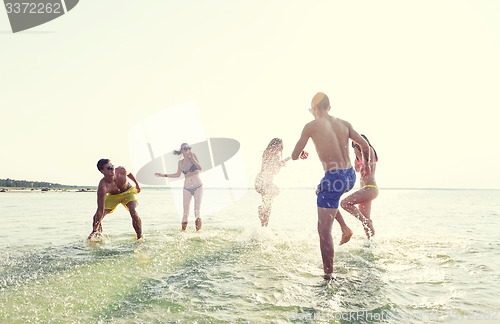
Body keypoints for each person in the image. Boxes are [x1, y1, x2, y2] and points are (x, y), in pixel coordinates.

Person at [291, 92, 372, 280]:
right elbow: (365, 145)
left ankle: (328, 277)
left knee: (323, 230)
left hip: (333, 177)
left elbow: (295, 155)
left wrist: (302, 152)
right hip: (349, 175)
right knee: (322, 192)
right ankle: (345, 228)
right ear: (329, 107)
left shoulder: (311, 126)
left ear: (314, 108)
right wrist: (366, 166)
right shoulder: (344, 124)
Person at [87, 159, 143, 241]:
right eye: (109, 168)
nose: (112, 169)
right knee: (97, 217)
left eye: (112, 166)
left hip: (128, 192)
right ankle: (97, 236)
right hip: (113, 196)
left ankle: (140, 237)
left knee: (133, 211)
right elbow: (100, 210)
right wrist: (94, 229)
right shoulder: (103, 187)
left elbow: (130, 173)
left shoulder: (121, 170)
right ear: (102, 171)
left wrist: (137, 184)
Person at [155, 143, 203, 231]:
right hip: (186, 188)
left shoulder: (194, 156)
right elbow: (177, 175)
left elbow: (200, 168)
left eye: (189, 148)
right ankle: (183, 232)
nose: (187, 150)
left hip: (198, 187)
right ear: (181, 151)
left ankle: (198, 233)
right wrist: (163, 175)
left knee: (197, 212)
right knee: (185, 213)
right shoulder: (180, 163)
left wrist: (192, 159)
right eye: (185, 148)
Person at [341, 134, 379, 239]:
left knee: (344, 203)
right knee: (366, 221)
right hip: (365, 189)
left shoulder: (369, 150)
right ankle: (371, 242)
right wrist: (355, 156)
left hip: (370, 188)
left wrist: (358, 151)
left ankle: (365, 221)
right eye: (353, 145)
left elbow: (365, 160)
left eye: (356, 143)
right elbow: (358, 170)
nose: (355, 146)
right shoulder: (359, 156)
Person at [255, 138, 291, 226]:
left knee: (267, 206)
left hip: (263, 181)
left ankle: (263, 226)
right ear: (273, 145)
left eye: (280, 148)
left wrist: (284, 161)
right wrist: (281, 163)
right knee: (267, 205)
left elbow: (273, 170)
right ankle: (262, 215)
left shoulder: (267, 153)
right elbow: (273, 170)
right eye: (278, 147)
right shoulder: (271, 154)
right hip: (264, 181)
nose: (279, 150)